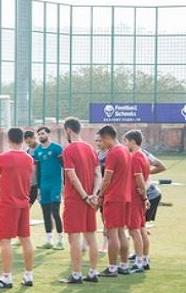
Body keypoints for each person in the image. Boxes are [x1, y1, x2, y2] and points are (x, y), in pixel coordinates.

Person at [0, 127, 36, 289]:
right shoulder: (29, 159)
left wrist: (0, 182)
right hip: (23, 202)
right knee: (25, 239)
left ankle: (7, 277)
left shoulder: (3, 157)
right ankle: (29, 275)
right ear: (23, 140)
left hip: (7, 204)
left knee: (5, 240)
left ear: (8, 140)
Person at [58, 117, 102, 284]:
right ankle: (93, 272)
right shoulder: (90, 148)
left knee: (74, 238)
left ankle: (76, 274)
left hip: (76, 200)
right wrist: (93, 194)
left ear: (68, 130)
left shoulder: (69, 149)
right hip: (90, 200)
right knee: (91, 236)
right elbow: (98, 174)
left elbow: (72, 176)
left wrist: (84, 196)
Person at [97, 125, 132, 277]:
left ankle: (112, 268)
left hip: (114, 197)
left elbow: (106, 179)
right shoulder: (125, 150)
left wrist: (100, 195)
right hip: (125, 196)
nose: (101, 144)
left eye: (101, 140)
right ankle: (124, 265)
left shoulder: (113, 153)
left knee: (112, 233)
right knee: (121, 232)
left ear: (107, 137)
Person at [34, 126, 64, 250]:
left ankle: (60, 241)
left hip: (55, 184)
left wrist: (64, 184)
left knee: (55, 212)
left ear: (48, 134)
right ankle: (49, 241)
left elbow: (65, 166)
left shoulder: (57, 149)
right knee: (45, 213)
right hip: (44, 186)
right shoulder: (37, 151)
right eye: (39, 134)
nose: (41, 136)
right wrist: (38, 188)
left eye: (42, 133)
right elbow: (38, 170)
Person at [124, 130, 150, 273]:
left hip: (134, 198)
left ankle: (139, 262)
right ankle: (145, 259)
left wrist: (144, 195)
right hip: (138, 198)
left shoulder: (135, 157)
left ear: (132, 142)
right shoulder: (144, 156)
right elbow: (145, 177)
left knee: (135, 231)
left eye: (126, 141)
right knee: (141, 229)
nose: (125, 144)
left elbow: (139, 177)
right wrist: (144, 195)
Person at [23, 130, 39, 205]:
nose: (28, 143)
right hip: (31, 184)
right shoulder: (27, 151)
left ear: (34, 138)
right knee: (26, 207)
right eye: (27, 142)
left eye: (30, 141)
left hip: (41, 183)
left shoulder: (41, 149)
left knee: (47, 208)